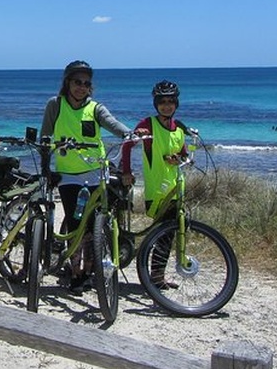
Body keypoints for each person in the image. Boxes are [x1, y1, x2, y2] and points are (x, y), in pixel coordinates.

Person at [40, 60, 130, 294]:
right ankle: (76, 271)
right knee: (74, 221)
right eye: (77, 82)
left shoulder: (95, 108)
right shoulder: (55, 105)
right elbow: (45, 137)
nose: (81, 87)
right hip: (68, 174)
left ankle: (90, 271)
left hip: (94, 173)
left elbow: (112, 124)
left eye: (86, 84)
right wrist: (46, 169)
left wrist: (129, 134)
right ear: (67, 82)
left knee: (93, 226)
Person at [120, 80, 192, 289]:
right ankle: (155, 277)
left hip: (175, 188)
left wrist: (177, 157)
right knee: (162, 234)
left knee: (169, 235)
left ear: (176, 103)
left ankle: (157, 276)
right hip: (156, 190)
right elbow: (127, 146)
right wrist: (126, 171)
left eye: (171, 101)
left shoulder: (178, 128)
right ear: (156, 103)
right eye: (162, 102)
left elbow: (184, 155)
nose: (166, 106)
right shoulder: (147, 124)